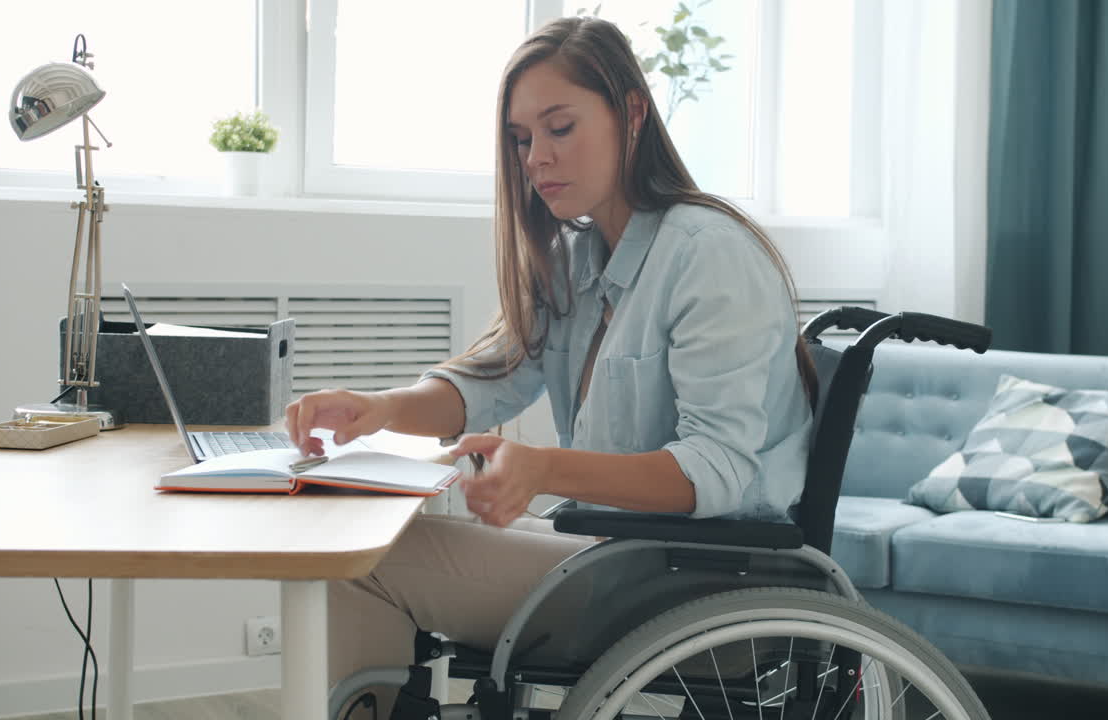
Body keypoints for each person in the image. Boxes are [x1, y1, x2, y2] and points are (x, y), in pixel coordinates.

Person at [284, 15, 815, 718]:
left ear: (632, 113)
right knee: (362, 536)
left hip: (696, 581)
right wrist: (381, 408)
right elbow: (491, 377)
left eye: (560, 128)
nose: (536, 158)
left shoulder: (706, 254)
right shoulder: (577, 257)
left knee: (359, 561)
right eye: (521, 138)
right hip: (620, 553)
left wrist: (542, 470)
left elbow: (715, 471)